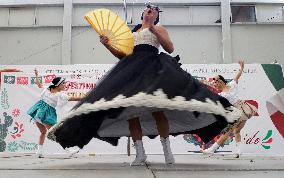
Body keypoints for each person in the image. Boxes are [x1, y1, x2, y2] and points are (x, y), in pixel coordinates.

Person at [47, 4, 242, 165]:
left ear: (157, 15)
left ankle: (167, 152)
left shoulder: (158, 28)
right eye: (148, 7)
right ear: (143, 12)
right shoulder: (131, 33)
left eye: (155, 9)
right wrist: (107, 44)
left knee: (158, 109)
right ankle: (140, 153)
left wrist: (154, 28)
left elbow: (170, 48)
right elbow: (123, 55)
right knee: (130, 113)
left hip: (153, 69)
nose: (151, 9)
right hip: (131, 70)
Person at [202, 61, 258, 158]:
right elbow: (216, 89)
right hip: (243, 110)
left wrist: (241, 68)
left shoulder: (229, 87)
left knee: (227, 131)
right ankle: (239, 151)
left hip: (239, 111)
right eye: (214, 83)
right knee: (236, 131)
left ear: (221, 82)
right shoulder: (225, 90)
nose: (215, 84)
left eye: (216, 82)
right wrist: (207, 84)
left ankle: (212, 149)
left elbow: (237, 76)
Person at [27, 69, 82, 158]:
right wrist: (89, 97)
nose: (65, 85)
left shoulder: (48, 89)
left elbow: (39, 84)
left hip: (37, 112)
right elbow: (74, 98)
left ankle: (39, 152)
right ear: (58, 85)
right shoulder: (59, 95)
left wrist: (36, 75)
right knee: (56, 132)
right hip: (46, 114)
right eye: (63, 83)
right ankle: (68, 150)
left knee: (43, 132)